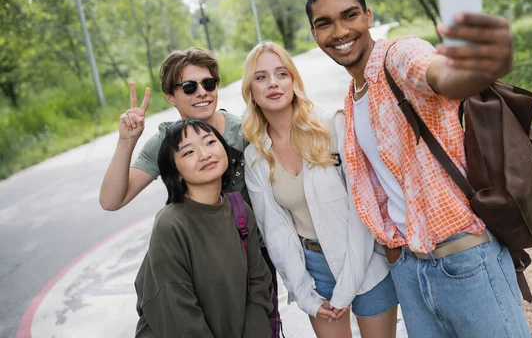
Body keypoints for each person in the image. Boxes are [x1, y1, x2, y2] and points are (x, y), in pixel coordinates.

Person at [305, 0, 532, 337]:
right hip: (410, 272)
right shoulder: (353, 95)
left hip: (463, 260)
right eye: (324, 23)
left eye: (349, 15)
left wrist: (479, 69)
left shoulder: (398, 56)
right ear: (314, 34)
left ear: (368, 16)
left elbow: (440, 74)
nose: (340, 31)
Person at [242, 41, 398, 338]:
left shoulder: (331, 125)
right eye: (261, 77)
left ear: (293, 81)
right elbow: (276, 232)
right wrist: (303, 293)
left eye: (281, 74)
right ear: (250, 90)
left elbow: (362, 209)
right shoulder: (256, 157)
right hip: (315, 269)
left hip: (363, 260)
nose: (273, 83)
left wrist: (347, 288)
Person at [98, 48, 278, 291]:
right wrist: (126, 141)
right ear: (171, 97)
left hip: (253, 256)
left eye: (209, 84)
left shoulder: (247, 131)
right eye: (189, 87)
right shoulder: (166, 142)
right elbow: (111, 200)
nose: (202, 93)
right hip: (199, 261)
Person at [134, 119, 273, 338]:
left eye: (210, 142)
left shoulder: (239, 210)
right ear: (176, 173)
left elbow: (258, 284)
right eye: (188, 153)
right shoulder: (170, 225)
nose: (204, 154)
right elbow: (176, 311)